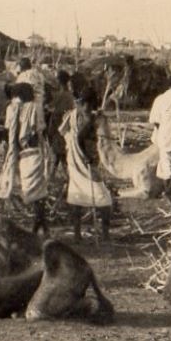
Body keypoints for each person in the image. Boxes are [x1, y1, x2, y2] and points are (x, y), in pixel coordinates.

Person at [0, 82, 49, 234]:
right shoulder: (32, 108)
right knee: (36, 190)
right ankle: (41, 224)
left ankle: (39, 224)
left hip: (23, 152)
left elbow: (8, 133)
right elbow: (40, 131)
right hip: (31, 152)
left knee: (22, 187)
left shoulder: (13, 108)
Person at [61, 90, 113, 241]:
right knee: (103, 198)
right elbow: (79, 137)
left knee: (77, 195)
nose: (84, 107)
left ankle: (97, 234)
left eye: (86, 104)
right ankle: (99, 234)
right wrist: (88, 157)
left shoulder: (80, 116)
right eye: (82, 104)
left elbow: (64, 132)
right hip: (81, 161)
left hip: (76, 159)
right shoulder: (85, 118)